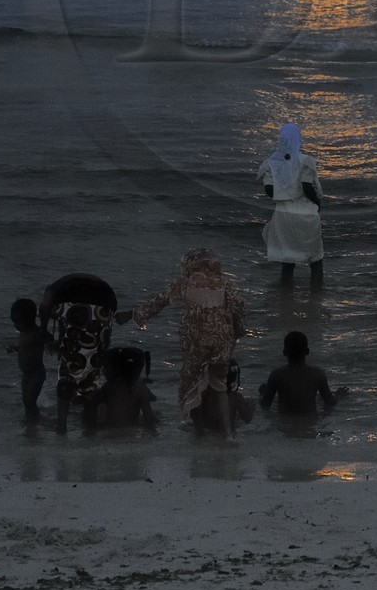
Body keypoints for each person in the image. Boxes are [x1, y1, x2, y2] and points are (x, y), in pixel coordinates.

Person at [134, 248, 245, 436]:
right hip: (223, 340)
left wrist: (138, 315)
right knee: (220, 386)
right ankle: (228, 434)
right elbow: (239, 306)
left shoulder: (188, 283)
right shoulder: (225, 284)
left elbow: (161, 300)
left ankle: (199, 431)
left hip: (197, 338)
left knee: (192, 383)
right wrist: (238, 330)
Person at [39, 273, 132, 435]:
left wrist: (44, 331)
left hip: (85, 303)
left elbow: (45, 307)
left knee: (67, 371)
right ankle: (90, 427)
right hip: (106, 304)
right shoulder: (64, 287)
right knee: (92, 370)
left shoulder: (53, 292)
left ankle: (62, 427)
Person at [257, 122, 325, 286]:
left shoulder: (272, 163)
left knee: (287, 261)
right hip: (306, 214)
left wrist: (284, 194)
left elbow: (269, 190)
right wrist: (317, 203)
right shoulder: (305, 161)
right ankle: (316, 295)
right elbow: (307, 186)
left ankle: (285, 294)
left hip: (283, 215)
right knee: (315, 259)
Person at [259, 331, 349, 417]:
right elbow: (330, 402)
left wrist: (263, 394)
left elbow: (265, 404)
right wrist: (338, 396)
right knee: (319, 400)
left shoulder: (276, 375)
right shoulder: (317, 374)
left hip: (284, 421)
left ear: (284, 352)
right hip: (311, 421)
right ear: (307, 351)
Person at [7, 298, 49, 419]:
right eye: (14, 323)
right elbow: (25, 348)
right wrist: (15, 348)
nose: (16, 326)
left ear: (29, 320)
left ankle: (34, 420)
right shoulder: (23, 333)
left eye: (18, 323)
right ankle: (31, 419)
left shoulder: (36, 333)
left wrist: (52, 344)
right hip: (26, 374)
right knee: (26, 401)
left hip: (36, 373)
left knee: (30, 401)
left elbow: (48, 338)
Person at [99, 346, 158, 430]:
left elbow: (101, 413)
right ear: (139, 369)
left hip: (110, 430)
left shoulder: (108, 386)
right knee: (157, 413)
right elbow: (149, 418)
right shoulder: (140, 388)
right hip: (131, 430)